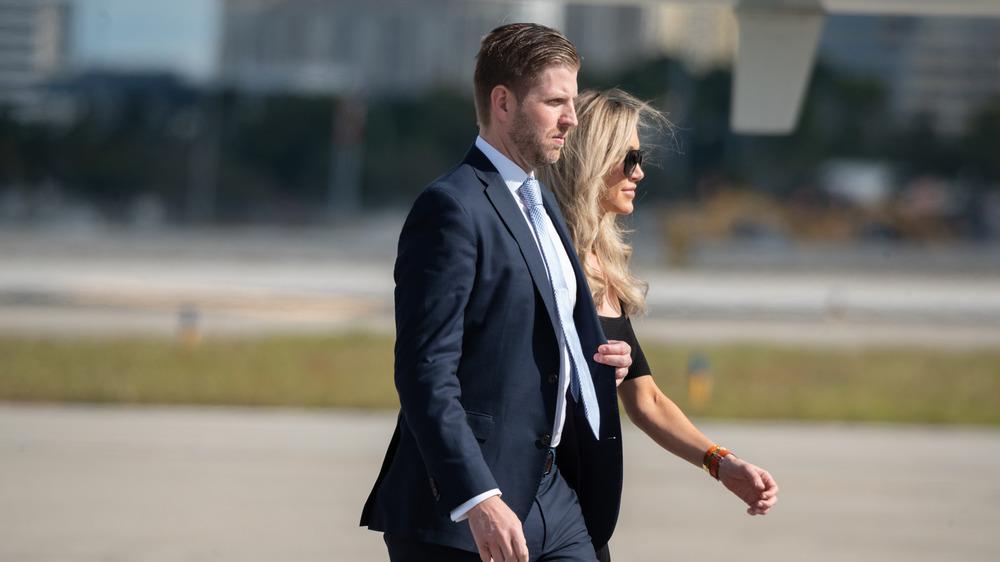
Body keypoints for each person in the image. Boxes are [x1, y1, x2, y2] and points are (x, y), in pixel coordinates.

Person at [361, 24, 634, 562]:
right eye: (555, 101)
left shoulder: (543, 204)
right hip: (465, 513)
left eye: (572, 101)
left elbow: (534, 330)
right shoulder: (450, 208)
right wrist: (478, 499)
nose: (571, 119)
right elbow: (424, 371)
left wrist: (594, 359)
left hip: (554, 496)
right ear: (503, 103)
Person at [538, 88, 780, 559]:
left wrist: (720, 462)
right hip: (541, 517)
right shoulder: (543, 259)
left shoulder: (602, 266)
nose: (639, 172)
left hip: (585, 530)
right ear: (591, 160)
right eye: (629, 158)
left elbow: (645, 399)